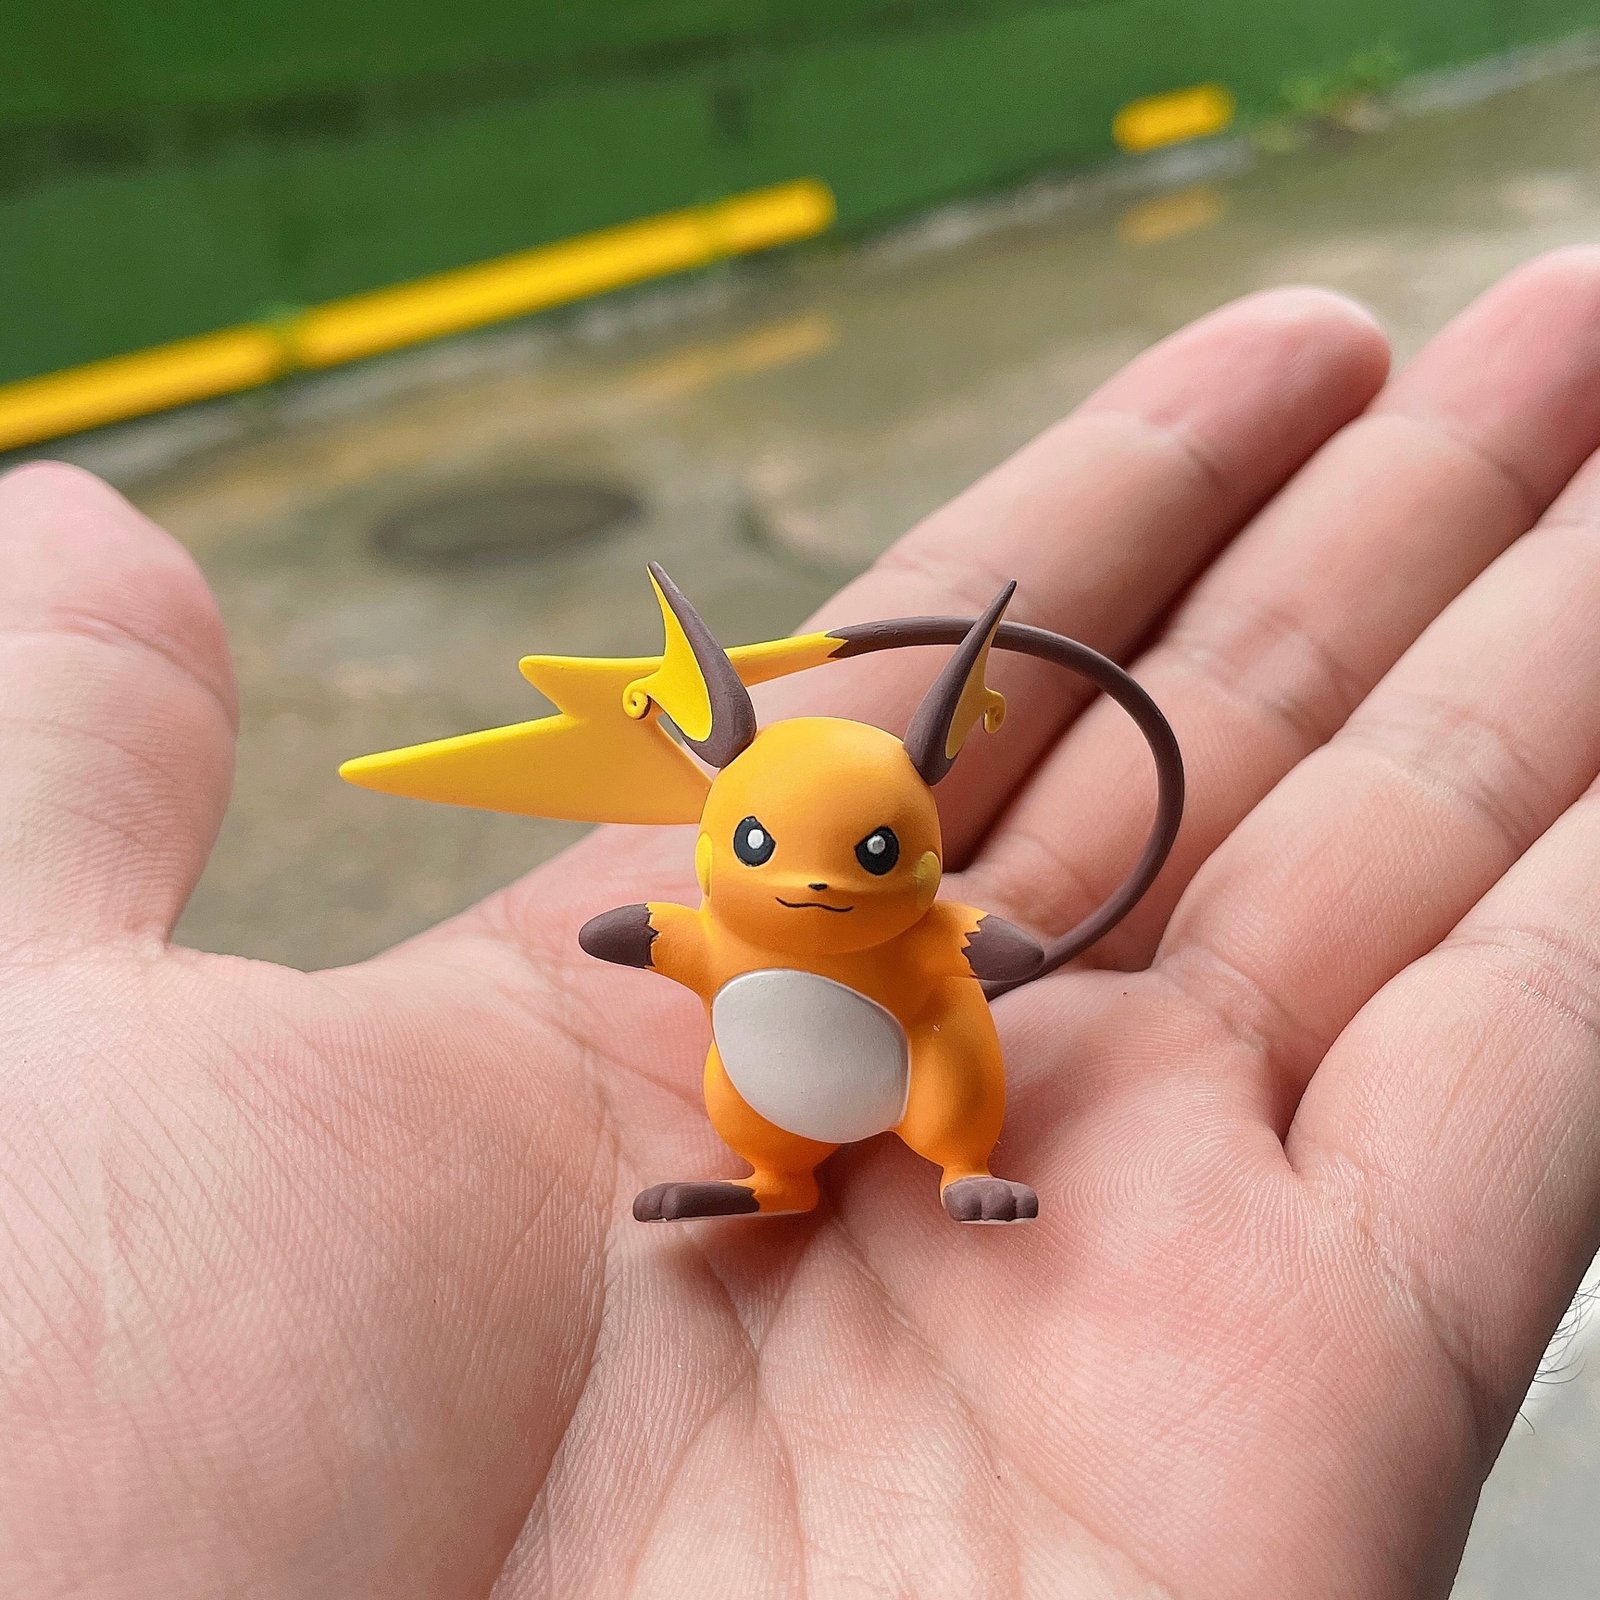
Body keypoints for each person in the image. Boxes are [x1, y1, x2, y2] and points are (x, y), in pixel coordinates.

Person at [5, 249, 1600, 1599]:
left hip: (905, 1071)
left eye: (874, 853)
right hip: (775, 1077)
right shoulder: (739, 915)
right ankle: (768, 1178)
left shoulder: (915, 934)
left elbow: (955, 954)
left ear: (926, 834)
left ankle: (957, 1168)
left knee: (950, 1072)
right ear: (722, 830)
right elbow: (696, 942)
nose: (820, 885)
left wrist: (990, 954)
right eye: (767, 850)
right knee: (751, 1089)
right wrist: (659, 937)